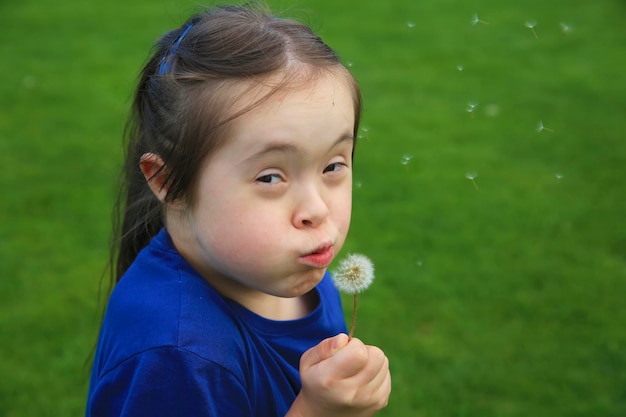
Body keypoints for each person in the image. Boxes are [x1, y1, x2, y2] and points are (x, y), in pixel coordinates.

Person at [87, 4, 391, 416]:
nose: (316, 210)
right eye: (270, 177)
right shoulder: (179, 356)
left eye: (333, 165)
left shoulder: (294, 270)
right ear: (166, 181)